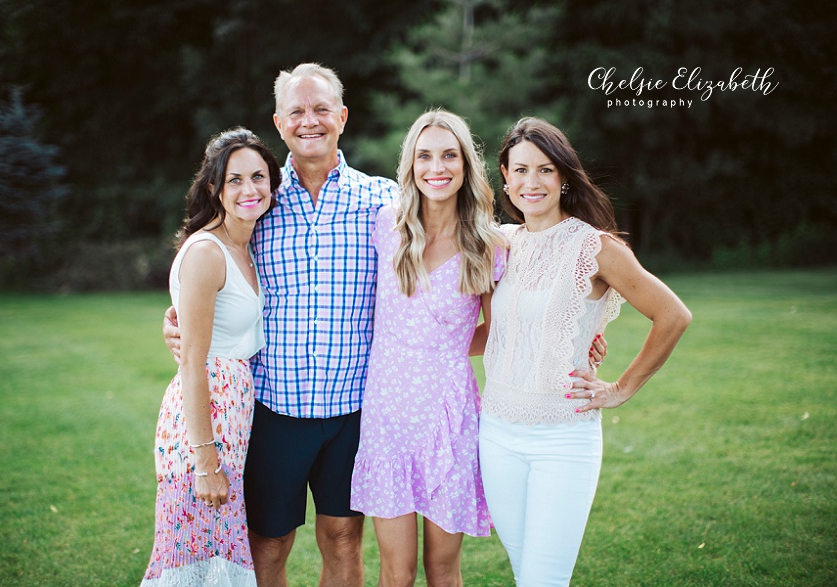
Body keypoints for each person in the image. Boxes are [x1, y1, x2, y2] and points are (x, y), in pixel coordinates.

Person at [164, 63, 399, 587]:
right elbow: (207, 269)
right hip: (273, 408)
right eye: (297, 111)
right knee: (267, 543)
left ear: (342, 117)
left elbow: (454, 251)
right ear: (279, 121)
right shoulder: (256, 200)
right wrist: (178, 321)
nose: (309, 120)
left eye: (321, 110)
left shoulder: (386, 201)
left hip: (355, 408)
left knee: (343, 538)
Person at [478, 117, 692, 587]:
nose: (531, 182)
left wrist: (621, 388)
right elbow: (494, 332)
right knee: (523, 573)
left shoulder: (595, 247)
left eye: (545, 170)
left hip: (563, 439)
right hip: (495, 433)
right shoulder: (498, 243)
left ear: (564, 178)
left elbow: (673, 315)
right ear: (505, 177)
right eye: (520, 170)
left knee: (543, 580)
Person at [349, 110, 506, 587]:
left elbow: (499, 333)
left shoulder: (488, 244)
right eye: (425, 156)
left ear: (465, 165)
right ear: (411, 165)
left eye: (449, 155)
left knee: (442, 569)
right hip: (387, 414)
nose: (437, 167)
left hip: (449, 416)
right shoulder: (386, 227)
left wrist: (449, 347)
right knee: (396, 572)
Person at [142, 128, 280, 586]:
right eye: (234, 179)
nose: (249, 190)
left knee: (215, 565)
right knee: (189, 565)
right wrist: (206, 462)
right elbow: (192, 363)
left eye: (258, 177)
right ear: (213, 188)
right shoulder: (207, 252)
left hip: (233, 417)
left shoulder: (247, 247)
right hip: (201, 429)